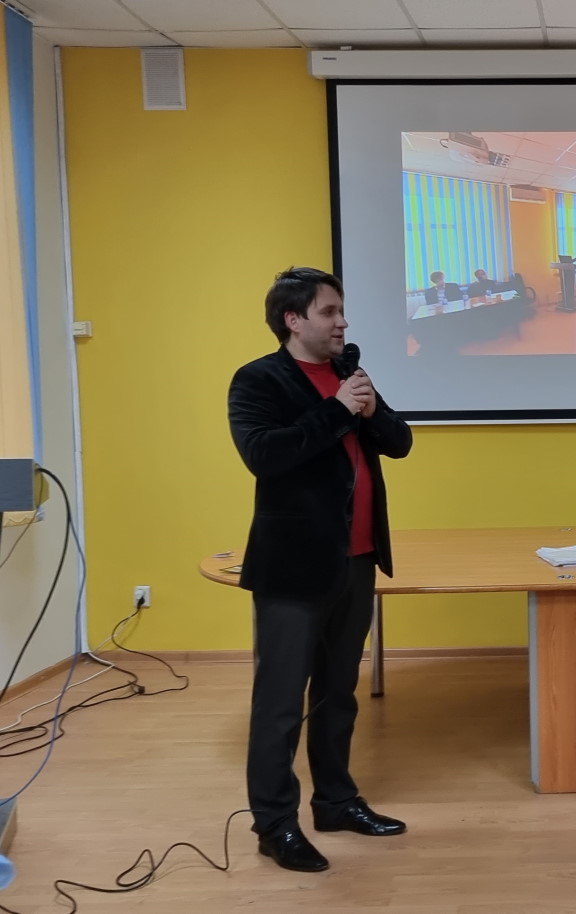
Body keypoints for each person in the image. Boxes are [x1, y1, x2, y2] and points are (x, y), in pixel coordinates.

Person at [228, 267, 414, 872]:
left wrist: (367, 407)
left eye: (341, 311)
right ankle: (274, 825)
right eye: (330, 311)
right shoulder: (258, 379)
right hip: (292, 568)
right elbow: (266, 455)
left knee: (338, 694)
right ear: (294, 319)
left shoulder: (348, 374)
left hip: (356, 561)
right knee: (280, 704)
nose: (342, 322)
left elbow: (399, 442)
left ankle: (335, 802)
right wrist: (336, 411)